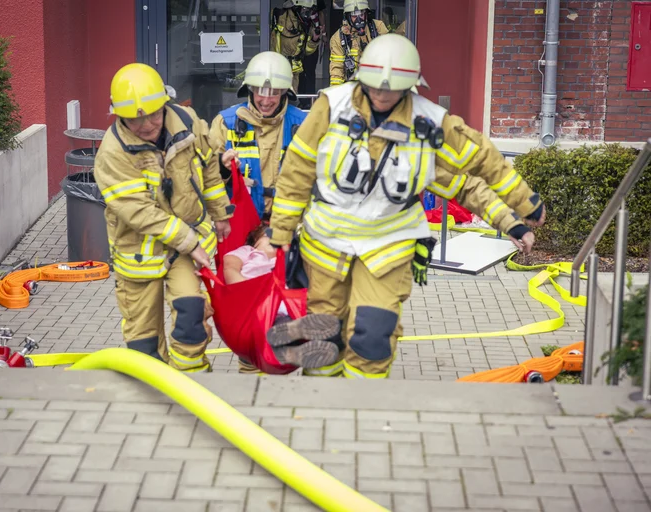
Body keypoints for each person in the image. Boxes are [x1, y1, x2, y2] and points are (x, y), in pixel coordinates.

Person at [269, 34, 547, 379]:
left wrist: (518, 213)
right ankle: (323, 410)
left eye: (392, 89)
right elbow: (297, 170)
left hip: (388, 248)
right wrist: (279, 232)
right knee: (324, 337)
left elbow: (475, 168)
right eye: (375, 87)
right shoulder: (331, 105)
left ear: (411, 86)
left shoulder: (429, 123)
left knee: (373, 335)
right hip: (325, 245)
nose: (382, 96)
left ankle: (363, 410)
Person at [94, 63, 233, 373]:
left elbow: (208, 167)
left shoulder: (188, 121)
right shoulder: (113, 153)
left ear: (164, 103)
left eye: (153, 114)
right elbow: (139, 212)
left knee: (190, 315)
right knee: (143, 344)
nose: (146, 125)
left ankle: (194, 383)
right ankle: (154, 402)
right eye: (136, 118)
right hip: (140, 254)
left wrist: (220, 212)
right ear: (119, 115)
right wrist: (188, 240)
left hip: (185, 247)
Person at [222, 224, 340, 370]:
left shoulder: (289, 259)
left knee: (283, 323)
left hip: (285, 305)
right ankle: (292, 343)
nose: (274, 239)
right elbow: (230, 268)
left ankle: (293, 348)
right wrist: (251, 293)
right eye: (268, 235)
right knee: (263, 332)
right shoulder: (248, 252)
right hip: (253, 307)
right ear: (255, 242)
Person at [210, 51, 308, 221]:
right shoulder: (225, 123)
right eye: (260, 91)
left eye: (274, 92)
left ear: (285, 92)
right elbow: (207, 179)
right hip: (239, 224)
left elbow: (318, 184)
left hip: (288, 227)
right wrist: (221, 166)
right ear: (250, 89)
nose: (266, 100)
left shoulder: (304, 125)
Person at [329, 0, 389, 86]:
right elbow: (337, 70)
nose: (359, 19)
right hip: (352, 88)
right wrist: (336, 94)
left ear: (366, 14)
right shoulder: (338, 38)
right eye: (354, 15)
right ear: (347, 16)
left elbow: (389, 56)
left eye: (361, 14)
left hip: (376, 85)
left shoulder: (378, 28)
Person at [270, 0, 323, 92]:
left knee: (291, 96)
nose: (308, 14)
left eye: (310, 11)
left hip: (294, 71)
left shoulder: (307, 25)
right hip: (277, 67)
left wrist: (314, 39)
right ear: (296, 7)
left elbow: (307, 51)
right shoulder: (278, 15)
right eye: (305, 10)